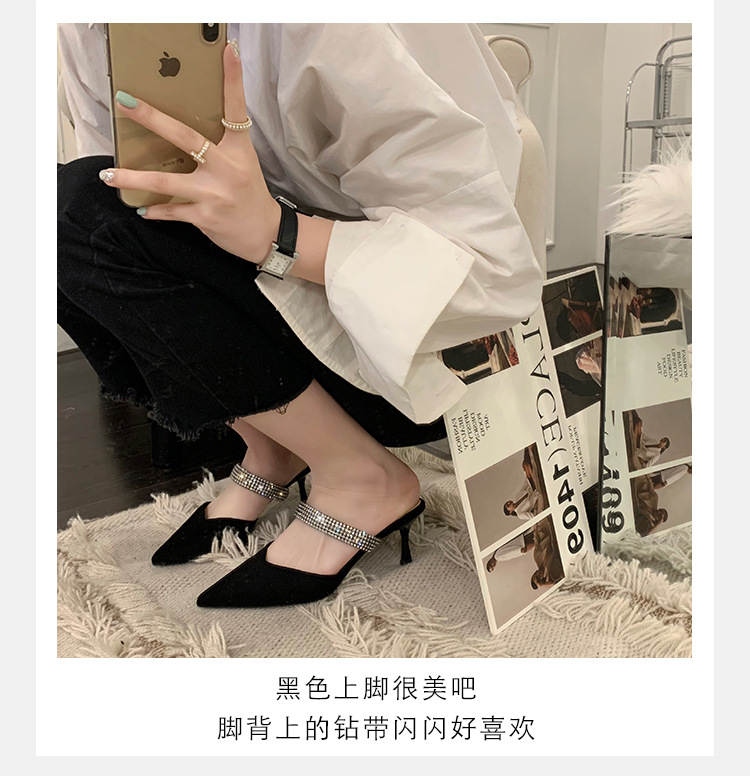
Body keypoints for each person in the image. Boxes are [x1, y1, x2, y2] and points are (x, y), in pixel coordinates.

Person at [57, 23, 543, 609]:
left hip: (425, 356)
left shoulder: (329, 26)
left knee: (73, 209)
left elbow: (493, 276)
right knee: (69, 209)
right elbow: (117, 196)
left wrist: (274, 231)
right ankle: (275, 447)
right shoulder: (83, 29)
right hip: (295, 330)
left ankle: (361, 477)